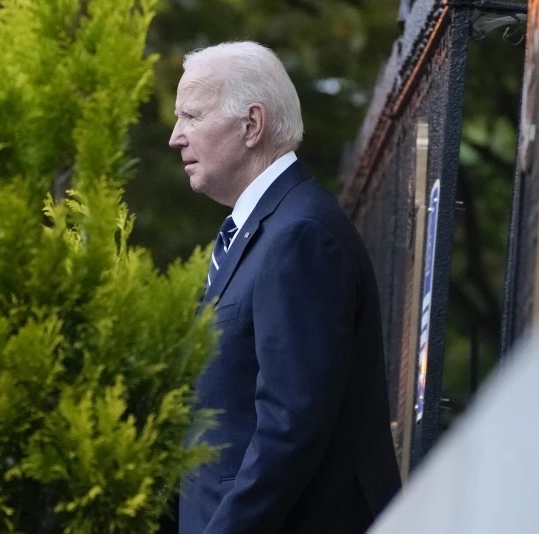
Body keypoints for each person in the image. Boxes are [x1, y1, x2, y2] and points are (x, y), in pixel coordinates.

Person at [170, 41, 401, 533]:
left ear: (251, 125)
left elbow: (288, 427)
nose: (176, 137)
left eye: (191, 116)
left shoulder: (300, 235)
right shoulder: (259, 229)